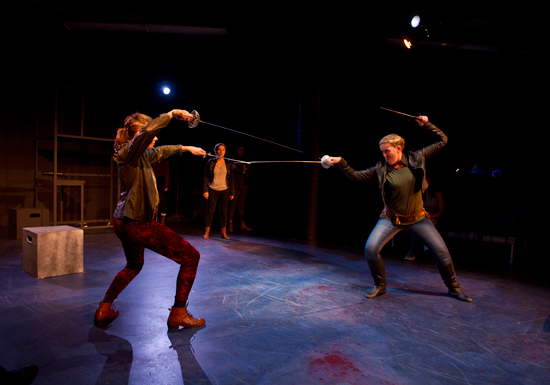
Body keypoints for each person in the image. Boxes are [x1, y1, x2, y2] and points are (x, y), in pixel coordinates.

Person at [327, 115, 471, 302]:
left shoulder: (418, 157)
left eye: (387, 152)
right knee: (371, 249)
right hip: (391, 219)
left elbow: (443, 140)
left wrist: (427, 125)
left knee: (442, 254)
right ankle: (380, 286)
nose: (385, 156)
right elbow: (355, 176)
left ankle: (454, 288)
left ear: (399, 148)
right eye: (382, 153)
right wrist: (341, 162)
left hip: (418, 218)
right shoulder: (381, 168)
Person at [94, 109, 207, 330]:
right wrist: (173, 113)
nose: (155, 138)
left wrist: (186, 148)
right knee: (191, 257)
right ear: (137, 135)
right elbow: (150, 131)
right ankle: (179, 313)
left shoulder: (139, 156)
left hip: (124, 221)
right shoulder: (129, 152)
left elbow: (161, 151)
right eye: (150, 135)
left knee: (134, 265)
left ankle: (104, 308)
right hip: (136, 223)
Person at [404, 176, 445, 261]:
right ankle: (417, 250)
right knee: (417, 225)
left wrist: (431, 216)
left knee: (424, 224)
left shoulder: (437, 195)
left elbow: (441, 211)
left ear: (429, 182)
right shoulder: (418, 194)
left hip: (433, 218)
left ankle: (416, 250)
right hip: (421, 217)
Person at [202, 143, 234, 240]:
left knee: (224, 211)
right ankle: (207, 231)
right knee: (210, 211)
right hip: (213, 189)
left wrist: (232, 192)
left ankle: (223, 232)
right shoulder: (210, 162)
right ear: (215, 151)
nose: (221, 151)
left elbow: (231, 179)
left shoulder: (228, 163)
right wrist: (205, 190)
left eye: (223, 150)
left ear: (225, 151)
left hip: (225, 190)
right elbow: (206, 177)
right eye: (219, 150)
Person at [228, 145, 252, 233]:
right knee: (233, 205)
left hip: (244, 184)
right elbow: (234, 168)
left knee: (241, 205)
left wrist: (244, 169)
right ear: (236, 150)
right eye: (239, 149)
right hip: (235, 185)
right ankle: (230, 223)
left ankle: (242, 224)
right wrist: (242, 169)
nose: (241, 151)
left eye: (243, 150)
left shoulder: (245, 158)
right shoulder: (233, 159)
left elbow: (249, 169)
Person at [152, 156, 170, 225]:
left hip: (162, 181)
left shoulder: (165, 161)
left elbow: (167, 173)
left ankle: (163, 217)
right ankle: (154, 216)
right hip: (154, 179)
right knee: (154, 199)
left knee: (161, 199)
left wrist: (166, 185)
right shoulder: (153, 160)